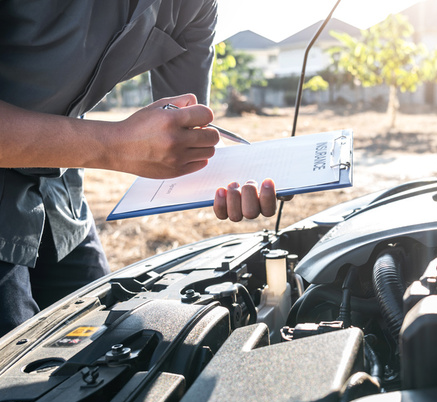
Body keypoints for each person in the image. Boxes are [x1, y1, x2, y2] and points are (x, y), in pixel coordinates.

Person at [0, 0, 278, 336]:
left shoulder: (195, 7)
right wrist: (113, 145)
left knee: (105, 334)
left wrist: (239, 177)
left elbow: (183, 134)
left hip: (59, 187)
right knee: (14, 358)